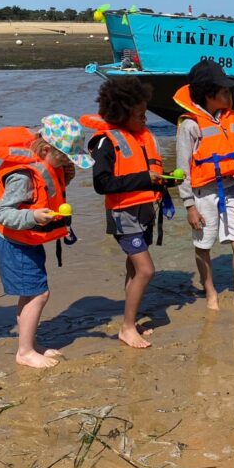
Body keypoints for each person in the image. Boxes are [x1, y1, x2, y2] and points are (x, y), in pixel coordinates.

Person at [0, 114, 91, 366]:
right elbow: (2, 214)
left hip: (28, 241)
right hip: (15, 244)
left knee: (31, 293)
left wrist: (63, 170)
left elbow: (51, 183)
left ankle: (30, 343)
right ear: (46, 149)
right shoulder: (23, 176)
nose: (67, 162)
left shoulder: (47, 163)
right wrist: (33, 215)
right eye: (64, 157)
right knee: (38, 294)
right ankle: (24, 352)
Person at [83, 78, 169, 348]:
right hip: (124, 215)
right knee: (146, 270)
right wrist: (145, 179)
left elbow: (146, 175)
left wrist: (164, 181)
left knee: (134, 268)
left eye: (145, 112)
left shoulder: (141, 137)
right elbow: (102, 184)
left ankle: (129, 318)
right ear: (121, 113)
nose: (145, 118)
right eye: (139, 114)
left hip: (144, 211)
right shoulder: (105, 143)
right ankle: (127, 327)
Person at [174, 60, 234, 314]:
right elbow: (182, 170)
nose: (229, 94)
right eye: (224, 90)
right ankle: (211, 291)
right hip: (204, 194)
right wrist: (189, 206)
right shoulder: (190, 125)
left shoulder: (229, 118)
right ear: (209, 95)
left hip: (233, 190)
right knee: (203, 246)